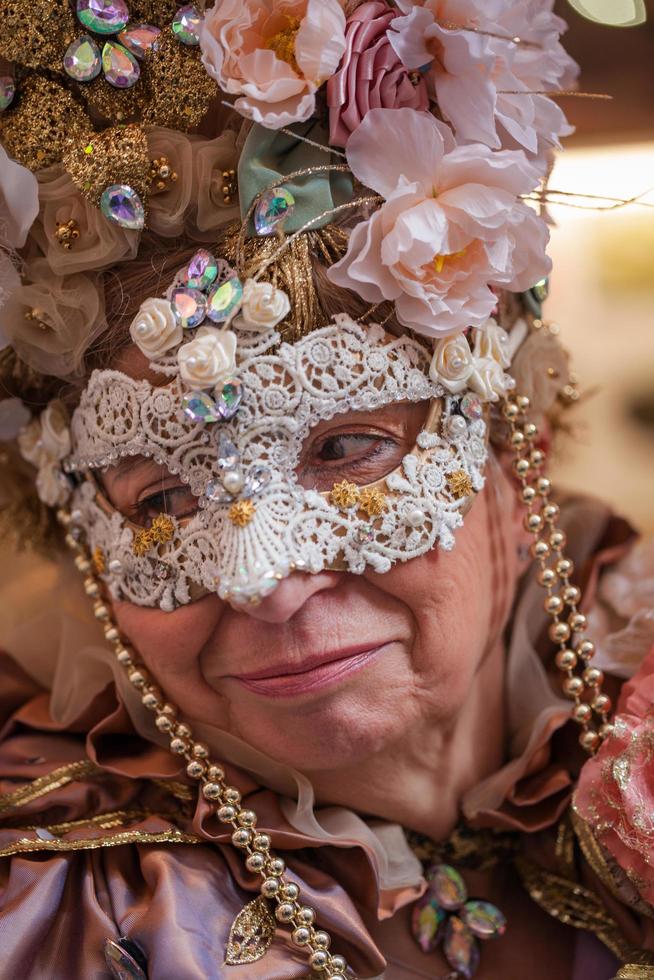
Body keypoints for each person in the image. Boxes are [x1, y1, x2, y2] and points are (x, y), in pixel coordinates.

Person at [0, 1, 653, 977]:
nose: (261, 577)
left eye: (346, 447)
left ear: (516, 444)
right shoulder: (74, 915)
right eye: (161, 502)